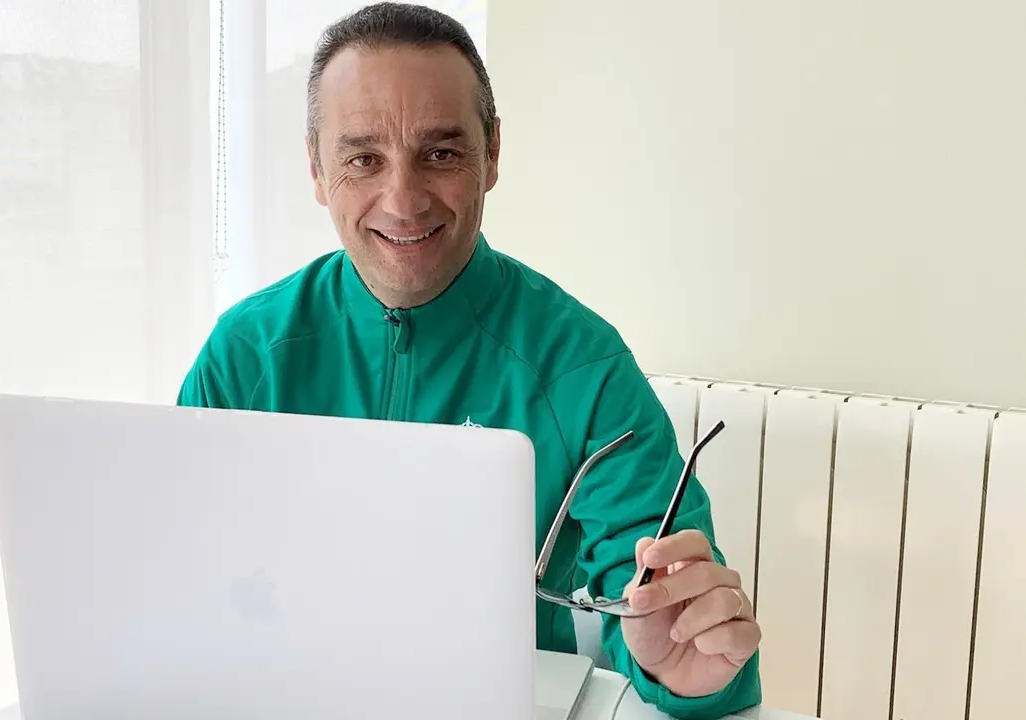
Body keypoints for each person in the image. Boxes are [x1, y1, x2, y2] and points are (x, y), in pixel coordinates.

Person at [177, 3, 762, 718]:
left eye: (440, 153)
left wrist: (686, 672)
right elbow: (182, 570)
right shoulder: (245, 355)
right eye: (363, 159)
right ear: (317, 169)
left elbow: (659, 601)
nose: (402, 202)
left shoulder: (581, 365)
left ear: (492, 154)